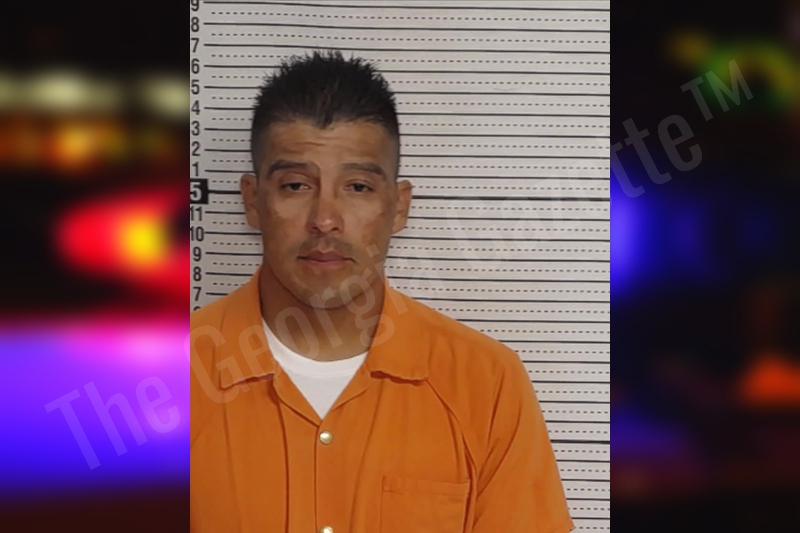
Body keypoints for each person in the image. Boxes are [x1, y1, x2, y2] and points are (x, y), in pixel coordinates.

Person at [190, 49, 574, 533]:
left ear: (398, 206)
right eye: (295, 186)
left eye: (357, 187)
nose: (325, 219)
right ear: (252, 201)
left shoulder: (487, 383)